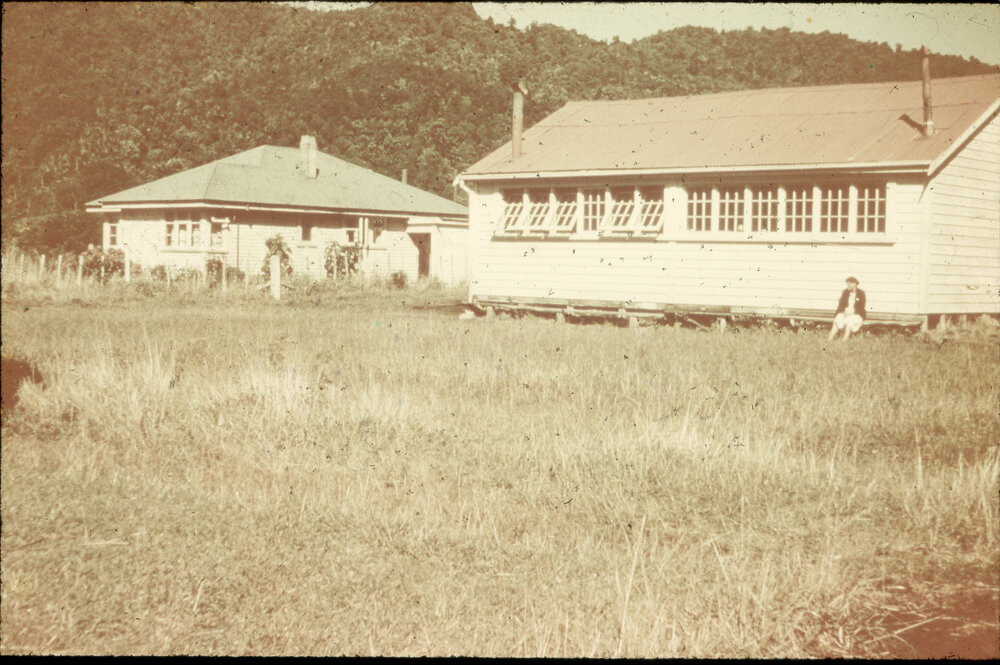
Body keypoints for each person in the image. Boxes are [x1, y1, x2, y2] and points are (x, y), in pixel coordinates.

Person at [828, 276, 866, 341]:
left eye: (848, 284)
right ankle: (830, 337)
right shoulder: (845, 292)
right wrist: (843, 312)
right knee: (839, 318)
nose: (847, 286)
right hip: (845, 312)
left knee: (850, 320)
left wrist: (851, 313)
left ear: (854, 284)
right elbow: (841, 304)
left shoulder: (861, 293)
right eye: (847, 284)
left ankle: (845, 339)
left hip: (856, 313)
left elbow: (861, 307)